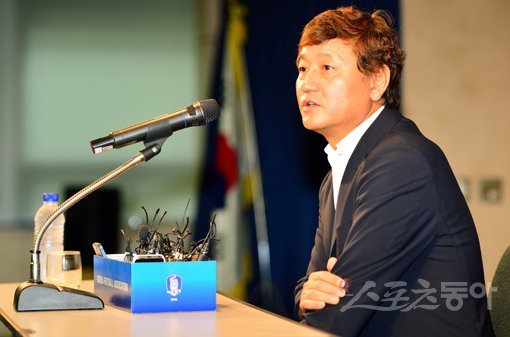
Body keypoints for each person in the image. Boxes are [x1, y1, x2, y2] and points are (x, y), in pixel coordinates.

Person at [293, 6, 494, 337]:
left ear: (376, 81)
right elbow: (308, 289)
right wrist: (306, 295)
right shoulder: (335, 176)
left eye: (327, 67)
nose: (307, 83)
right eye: (302, 68)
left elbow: (341, 313)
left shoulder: (401, 162)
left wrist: (315, 297)